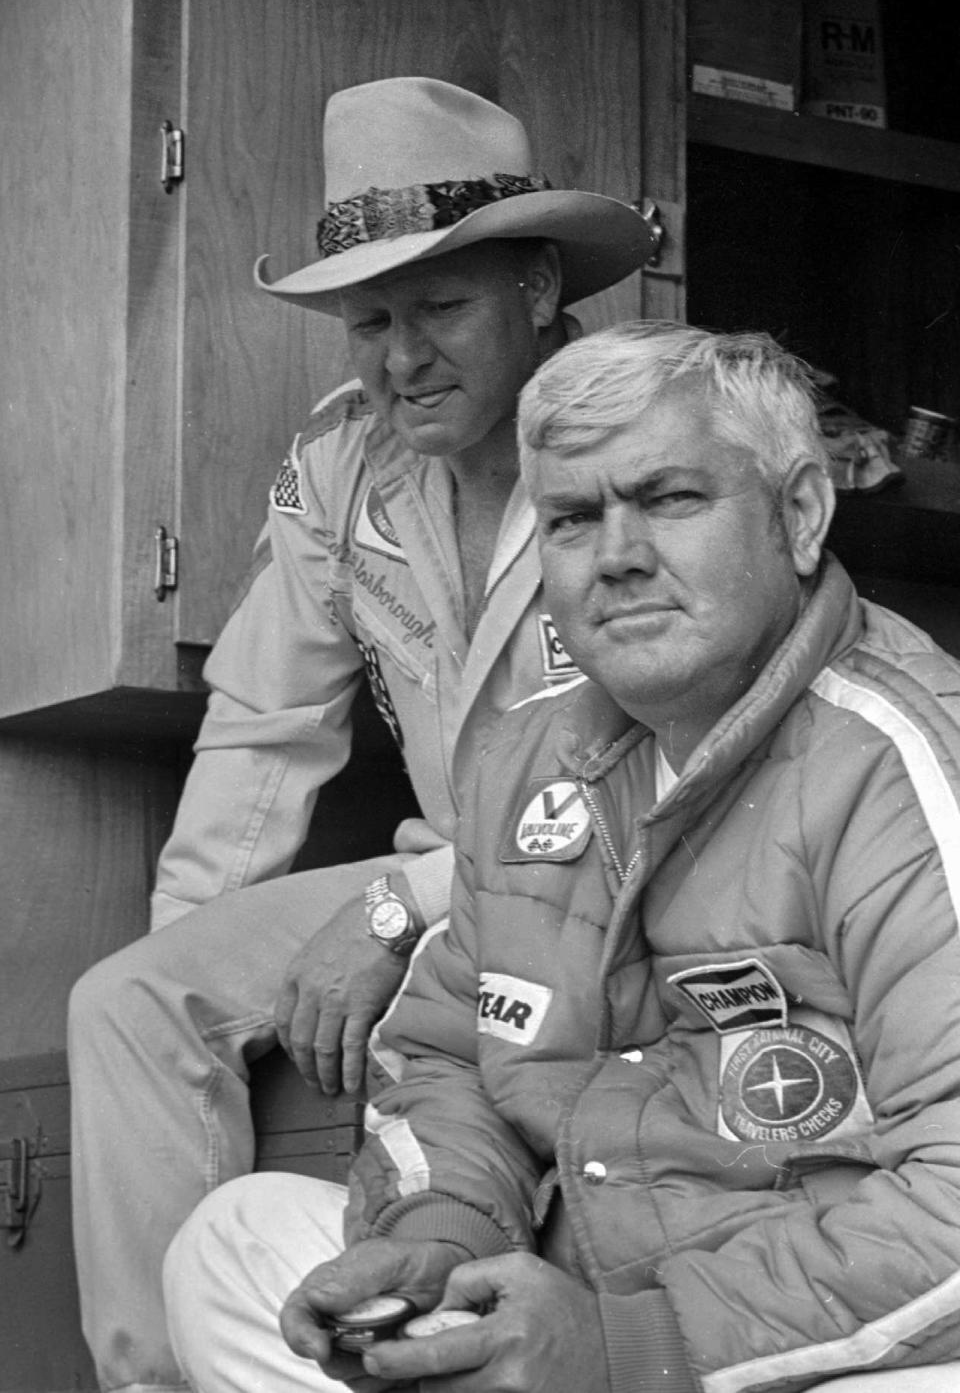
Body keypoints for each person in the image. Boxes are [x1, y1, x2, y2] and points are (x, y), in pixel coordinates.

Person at [163, 323, 960, 1393]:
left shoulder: (904, 758)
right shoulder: (529, 751)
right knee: (234, 1245)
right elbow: (449, 1056)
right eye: (574, 518)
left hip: (786, 1341)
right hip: (577, 1302)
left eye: (670, 498)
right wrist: (445, 1228)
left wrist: (628, 1346)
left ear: (801, 514)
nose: (618, 554)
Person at [66, 79, 654, 1393]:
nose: (399, 358)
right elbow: (263, 732)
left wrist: (402, 908)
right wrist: (201, 967)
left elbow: (664, 776)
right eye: (368, 321)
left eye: (440, 308)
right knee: (126, 1001)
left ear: (540, 286)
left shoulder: (639, 454)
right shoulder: (341, 470)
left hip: (612, 881)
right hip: (445, 874)